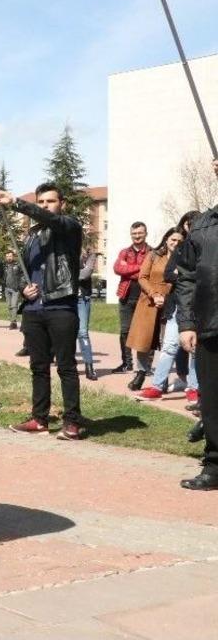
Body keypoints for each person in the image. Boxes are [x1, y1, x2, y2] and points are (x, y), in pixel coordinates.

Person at [0, 184, 85, 440]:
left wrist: (16, 202)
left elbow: (51, 219)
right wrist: (24, 289)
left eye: (50, 201)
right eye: (41, 201)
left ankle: (72, 422)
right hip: (34, 310)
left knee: (66, 367)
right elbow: (23, 269)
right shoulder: (32, 236)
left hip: (61, 306)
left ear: (62, 203)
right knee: (38, 367)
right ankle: (39, 419)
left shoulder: (69, 227)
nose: (46, 206)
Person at [175, 158, 218, 490]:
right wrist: (187, 322)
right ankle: (215, 466)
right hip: (209, 324)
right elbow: (186, 277)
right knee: (212, 399)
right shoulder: (203, 224)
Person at [140, 212, 200, 402]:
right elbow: (168, 274)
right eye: (186, 224)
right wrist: (189, 275)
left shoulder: (207, 247)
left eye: (193, 224)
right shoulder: (181, 248)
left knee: (195, 349)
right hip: (177, 304)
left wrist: (182, 274)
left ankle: (193, 387)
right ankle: (158, 386)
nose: (189, 227)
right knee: (169, 346)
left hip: (200, 305)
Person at [126, 228, 182, 391]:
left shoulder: (184, 259)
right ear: (166, 239)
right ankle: (141, 373)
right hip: (149, 302)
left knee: (168, 343)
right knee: (144, 341)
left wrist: (165, 297)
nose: (175, 243)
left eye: (179, 241)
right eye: (173, 239)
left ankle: (162, 379)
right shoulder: (154, 255)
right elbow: (142, 277)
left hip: (170, 303)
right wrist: (154, 294)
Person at [112, 222, 150, 373]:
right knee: (125, 331)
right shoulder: (124, 252)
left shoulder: (152, 252)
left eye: (140, 233)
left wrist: (128, 270)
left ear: (146, 233)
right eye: (134, 233)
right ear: (131, 234)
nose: (137, 236)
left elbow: (150, 272)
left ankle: (146, 367)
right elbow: (117, 268)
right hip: (126, 297)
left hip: (145, 297)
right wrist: (141, 268)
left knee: (146, 332)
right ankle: (127, 364)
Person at [77, 246, 99, 381]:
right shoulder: (63, 253)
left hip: (81, 299)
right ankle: (67, 365)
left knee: (83, 332)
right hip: (65, 298)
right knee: (65, 332)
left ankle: (89, 366)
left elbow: (86, 273)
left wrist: (70, 274)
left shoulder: (90, 256)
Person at [2, 249, 25, 331]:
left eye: (10, 256)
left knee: (14, 305)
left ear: (13, 256)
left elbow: (23, 274)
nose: (9, 257)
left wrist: (20, 285)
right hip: (6, 288)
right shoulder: (4, 265)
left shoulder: (18, 264)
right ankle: (13, 321)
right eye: (7, 256)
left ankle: (13, 322)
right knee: (9, 306)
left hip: (15, 288)